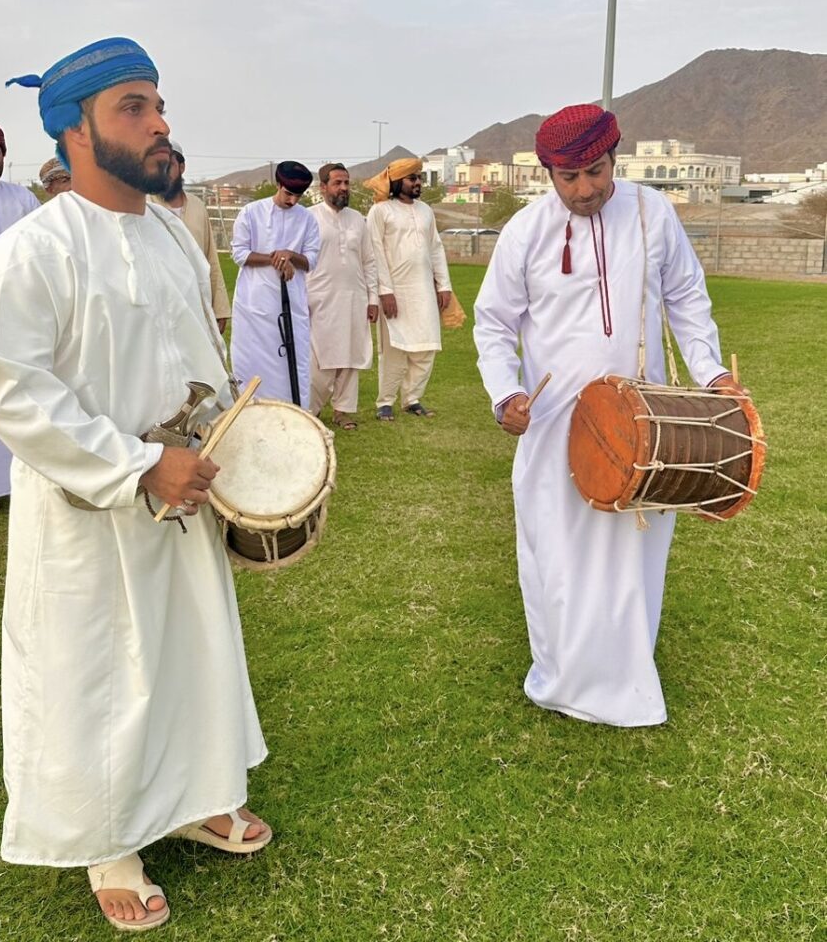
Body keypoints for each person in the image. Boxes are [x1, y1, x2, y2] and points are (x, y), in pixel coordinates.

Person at [0, 37, 269, 931]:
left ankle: (193, 798)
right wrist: (140, 465)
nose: (160, 124)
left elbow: (203, 360)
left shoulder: (171, 237)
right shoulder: (33, 249)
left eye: (158, 104)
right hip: (91, 510)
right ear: (76, 131)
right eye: (134, 107)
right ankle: (107, 840)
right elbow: (14, 392)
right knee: (97, 670)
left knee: (190, 650)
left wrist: (238, 453)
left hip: (185, 498)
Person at [473, 104, 737, 728]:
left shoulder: (652, 212)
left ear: (614, 158)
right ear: (548, 174)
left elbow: (686, 298)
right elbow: (493, 323)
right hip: (554, 422)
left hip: (644, 421)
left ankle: (626, 676)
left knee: (633, 550)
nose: (584, 188)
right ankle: (563, 677)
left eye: (595, 171)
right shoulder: (526, 232)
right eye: (568, 177)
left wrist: (712, 373)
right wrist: (505, 394)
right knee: (557, 549)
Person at [364, 158, 452, 421]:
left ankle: (412, 399)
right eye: (412, 178)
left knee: (426, 347)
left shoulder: (425, 211)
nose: (417, 183)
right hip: (395, 290)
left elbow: (435, 248)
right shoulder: (380, 211)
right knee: (394, 349)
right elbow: (375, 251)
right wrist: (385, 291)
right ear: (396, 181)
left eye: (419, 178)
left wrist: (444, 285)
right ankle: (385, 402)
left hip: (423, 289)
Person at [230, 161, 319, 406]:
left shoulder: (307, 219)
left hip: (292, 304)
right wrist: (276, 258)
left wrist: (289, 255)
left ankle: (294, 416)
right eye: (288, 194)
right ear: (278, 184)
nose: (293, 201)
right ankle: (250, 414)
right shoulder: (251, 212)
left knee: (294, 363)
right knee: (251, 363)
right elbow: (240, 254)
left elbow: (310, 261)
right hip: (254, 305)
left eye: (298, 196)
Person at [0, 123, 40, 511]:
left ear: (4, 156)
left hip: (14, 314)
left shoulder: (23, 200)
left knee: (15, 394)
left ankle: (12, 481)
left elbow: (41, 252)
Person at [308, 163, 378, 429]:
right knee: (319, 359)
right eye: (337, 183)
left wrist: (373, 299)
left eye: (346, 183)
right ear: (323, 187)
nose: (344, 188)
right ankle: (310, 411)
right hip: (319, 298)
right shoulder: (309, 218)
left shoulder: (358, 219)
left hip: (354, 298)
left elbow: (369, 261)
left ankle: (343, 411)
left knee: (350, 355)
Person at [151, 140, 231, 333]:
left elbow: (211, 258)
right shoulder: (145, 205)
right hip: (159, 304)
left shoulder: (197, 206)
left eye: (168, 165)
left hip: (196, 301)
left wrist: (219, 308)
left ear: (182, 167)